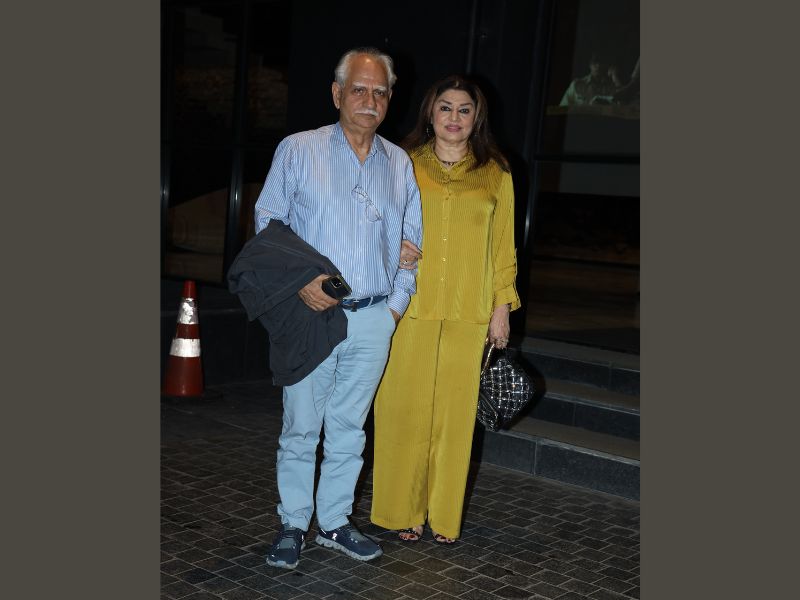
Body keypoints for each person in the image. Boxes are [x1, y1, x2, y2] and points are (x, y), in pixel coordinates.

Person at [254, 46, 423, 569]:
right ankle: (292, 523)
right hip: (311, 315)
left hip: (372, 317)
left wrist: (392, 311)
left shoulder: (398, 163)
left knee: (350, 428)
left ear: (390, 99)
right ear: (336, 94)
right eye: (359, 89)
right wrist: (300, 282)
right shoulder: (298, 150)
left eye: (380, 92)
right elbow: (267, 223)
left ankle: (333, 522)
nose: (369, 100)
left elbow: (412, 244)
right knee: (301, 428)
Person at [370, 75, 520, 544]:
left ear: (477, 118)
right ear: (430, 114)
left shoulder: (496, 172)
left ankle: (443, 515)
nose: (454, 118)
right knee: (402, 410)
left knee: (454, 419)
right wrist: (391, 247)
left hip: (469, 311)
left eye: (464, 109)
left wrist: (501, 309)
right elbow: (373, 222)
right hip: (409, 306)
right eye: (445, 108)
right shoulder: (402, 163)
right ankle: (403, 510)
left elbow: (503, 247)